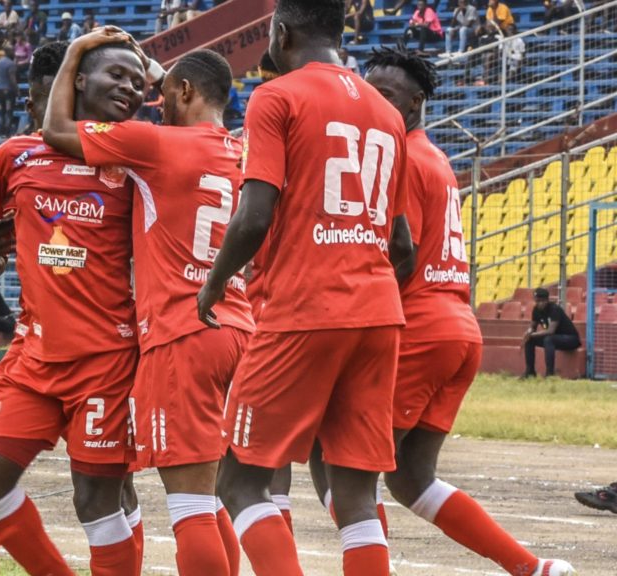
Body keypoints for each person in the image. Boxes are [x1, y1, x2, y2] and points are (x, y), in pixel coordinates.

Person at [0, 37, 148, 576]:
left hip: (107, 361)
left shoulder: (136, 160)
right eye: (116, 75)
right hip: (34, 356)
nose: (130, 88)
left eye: (138, 82)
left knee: (101, 499)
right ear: (76, 81)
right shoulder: (17, 155)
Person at [196, 1, 416, 573]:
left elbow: (254, 215)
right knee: (356, 493)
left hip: (304, 308)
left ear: (281, 32)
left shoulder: (276, 96)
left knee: (238, 479)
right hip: (377, 314)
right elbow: (402, 243)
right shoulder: (386, 112)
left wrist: (214, 284)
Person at [43, 33, 254, 576]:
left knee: (188, 508)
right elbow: (194, 90)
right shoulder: (239, 150)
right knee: (208, 496)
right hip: (237, 327)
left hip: (182, 333)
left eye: (163, 96)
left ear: (183, 92)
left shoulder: (157, 144)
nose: (154, 104)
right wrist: (167, 74)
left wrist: (75, 52)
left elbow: (56, 129)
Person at [365, 46, 576, 576]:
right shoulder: (435, 156)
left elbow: (401, 253)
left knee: (346, 463)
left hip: (419, 325)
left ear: (415, 103)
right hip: (456, 325)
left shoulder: (403, 156)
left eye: (384, 94)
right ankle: (531, 568)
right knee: (411, 479)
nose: (371, 102)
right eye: (367, 91)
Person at [523, 287, 581, 378]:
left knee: (548, 339)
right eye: (537, 301)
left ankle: (549, 374)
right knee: (530, 340)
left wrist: (533, 334)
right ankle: (530, 371)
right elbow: (533, 326)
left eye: (541, 301)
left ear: (546, 300)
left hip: (570, 339)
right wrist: (529, 332)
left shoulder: (554, 309)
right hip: (555, 338)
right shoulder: (536, 310)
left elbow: (551, 331)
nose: (539, 303)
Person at [0, 46, 18, 137]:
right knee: (9, 111)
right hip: (8, 90)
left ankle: (0, 131)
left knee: (1, 111)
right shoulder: (11, 64)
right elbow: (12, 79)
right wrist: (18, 91)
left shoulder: (0, 62)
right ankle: (7, 132)